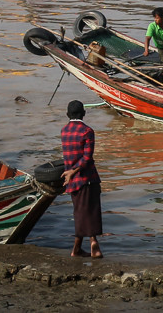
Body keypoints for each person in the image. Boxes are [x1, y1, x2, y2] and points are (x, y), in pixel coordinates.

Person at [61, 100, 103, 259]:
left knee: (80, 212)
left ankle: (77, 248)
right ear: (84, 113)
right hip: (88, 177)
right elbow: (87, 158)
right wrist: (73, 171)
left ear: (67, 115)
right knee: (91, 211)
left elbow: (70, 156)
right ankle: (94, 245)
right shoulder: (87, 131)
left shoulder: (64, 131)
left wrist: (70, 172)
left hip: (72, 181)